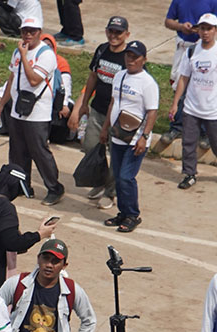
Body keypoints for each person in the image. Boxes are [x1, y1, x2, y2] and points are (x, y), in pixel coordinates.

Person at [0, 16, 66, 207]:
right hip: (18, 109)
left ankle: (54, 188)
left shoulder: (46, 55)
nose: (27, 35)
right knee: (17, 151)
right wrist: (2, 103)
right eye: (24, 31)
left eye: (32, 31)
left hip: (38, 112)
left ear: (39, 32)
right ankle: (21, 185)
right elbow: (12, 78)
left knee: (39, 151)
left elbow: (34, 79)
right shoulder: (19, 53)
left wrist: (24, 55)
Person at [69, 15, 128, 211]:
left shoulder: (129, 58)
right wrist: (84, 103)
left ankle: (110, 193)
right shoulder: (102, 50)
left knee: (116, 156)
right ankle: (100, 182)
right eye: (111, 31)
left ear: (126, 35)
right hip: (97, 110)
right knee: (91, 147)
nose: (114, 35)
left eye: (118, 32)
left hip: (118, 117)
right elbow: (93, 75)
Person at [170, 13, 217, 188]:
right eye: (203, 29)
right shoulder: (191, 52)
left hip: (214, 109)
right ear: (198, 30)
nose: (205, 32)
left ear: (216, 30)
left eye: (209, 29)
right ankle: (189, 173)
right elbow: (183, 78)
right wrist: (176, 103)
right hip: (192, 107)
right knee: (188, 142)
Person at [100, 40, 158, 233]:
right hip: (118, 135)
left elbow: (152, 112)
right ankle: (123, 213)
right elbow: (113, 103)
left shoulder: (148, 83)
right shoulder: (120, 76)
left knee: (126, 177)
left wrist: (144, 136)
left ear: (144, 59)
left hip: (136, 139)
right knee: (117, 176)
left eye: (135, 57)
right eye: (128, 56)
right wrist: (105, 128)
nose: (131, 60)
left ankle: (133, 214)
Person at [162, 0, 217, 145]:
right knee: (179, 85)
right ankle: (177, 126)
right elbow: (168, 21)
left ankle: (204, 132)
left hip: (203, 49)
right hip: (183, 47)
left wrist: (202, 29)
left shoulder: (213, 2)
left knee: (203, 89)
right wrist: (181, 26)